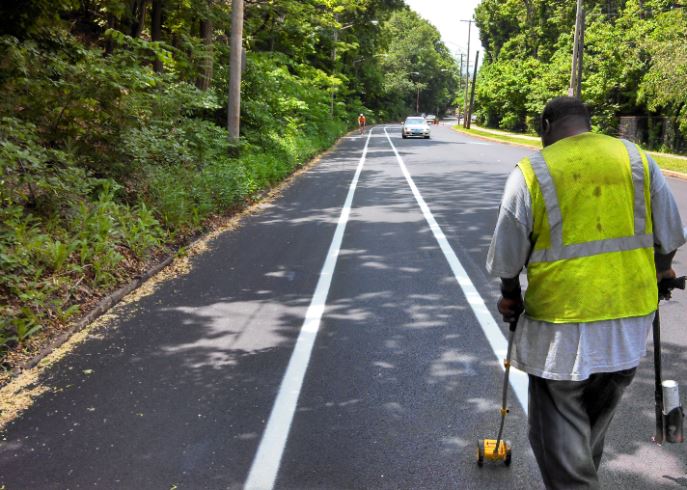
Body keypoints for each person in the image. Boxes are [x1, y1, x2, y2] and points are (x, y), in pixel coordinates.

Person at [486, 96, 685, 489]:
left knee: (559, 450)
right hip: (627, 330)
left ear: (545, 126)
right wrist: (662, 269)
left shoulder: (533, 171)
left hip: (562, 331)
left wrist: (511, 294)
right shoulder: (637, 159)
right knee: (586, 439)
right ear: (587, 123)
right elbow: (671, 234)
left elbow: (507, 260)